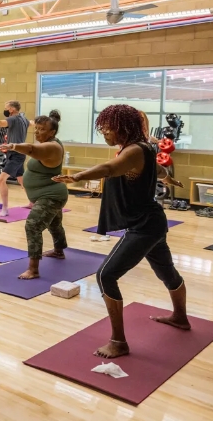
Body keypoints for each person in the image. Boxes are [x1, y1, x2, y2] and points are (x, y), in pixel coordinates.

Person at [53, 104, 187, 359]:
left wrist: (78, 176)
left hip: (144, 226)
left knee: (105, 275)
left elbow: (109, 169)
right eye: (102, 128)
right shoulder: (144, 148)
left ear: (123, 128)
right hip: (152, 222)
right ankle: (180, 317)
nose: (104, 133)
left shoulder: (135, 150)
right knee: (166, 271)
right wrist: (168, 179)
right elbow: (160, 170)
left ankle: (119, 342)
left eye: (107, 128)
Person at [0, 110, 67, 280]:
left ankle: (33, 270)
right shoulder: (48, 143)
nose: (37, 132)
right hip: (49, 194)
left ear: (52, 132)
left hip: (51, 196)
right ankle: (59, 251)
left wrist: (12, 146)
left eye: (42, 129)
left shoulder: (52, 146)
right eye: (37, 128)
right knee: (54, 224)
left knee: (33, 226)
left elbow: (31, 149)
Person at [0, 100, 31, 216]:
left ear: (12, 109)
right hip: (17, 153)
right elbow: (32, 123)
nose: (5, 110)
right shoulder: (24, 119)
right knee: (21, 179)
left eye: (6, 108)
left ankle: (5, 209)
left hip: (16, 155)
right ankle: (32, 202)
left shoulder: (13, 119)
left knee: (1, 179)